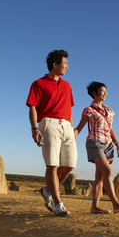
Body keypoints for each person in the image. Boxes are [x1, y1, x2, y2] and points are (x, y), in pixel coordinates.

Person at [26, 50, 77, 217]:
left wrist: (72, 128)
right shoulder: (38, 83)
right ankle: (58, 204)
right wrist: (35, 128)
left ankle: (47, 190)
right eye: (65, 63)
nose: (68, 66)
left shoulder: (67, 85)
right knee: (52, 165)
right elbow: (33, 106)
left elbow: (69, 108)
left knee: (69, 165)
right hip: (48, 123)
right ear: (55, 65)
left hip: (67, 126)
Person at [74, 81, 119, 214]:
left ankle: (95, 207)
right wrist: (71, 135)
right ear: (94, 93)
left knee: (99, 177)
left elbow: (110, 128)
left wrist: (117, 143)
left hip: (108, 144)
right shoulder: (89, 110)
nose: (105, 93)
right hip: (94, 142)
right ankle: (116, 204)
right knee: (108, 171)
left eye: (105, 91)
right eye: (102, 91)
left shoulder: (109, 110)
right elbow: (79, 127)